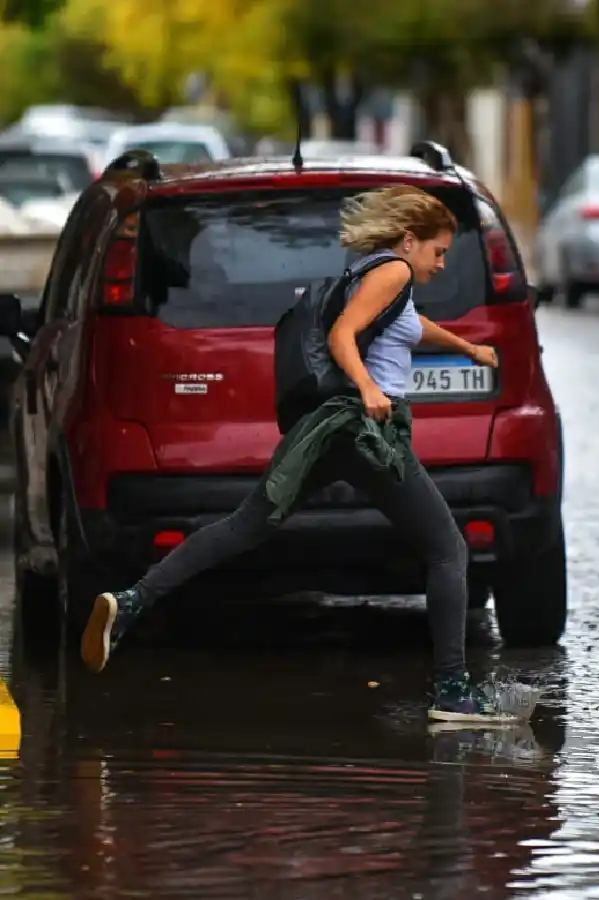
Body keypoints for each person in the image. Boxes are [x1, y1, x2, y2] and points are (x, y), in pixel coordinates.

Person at [80, 184, 518, 725]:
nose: (443, 262)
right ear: (410, 240)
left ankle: (131, 602)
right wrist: (370, 388)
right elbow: (343, 335)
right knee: (448, 547)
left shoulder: (372, 270)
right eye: (438, 251)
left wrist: (466, 347)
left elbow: (405, 324)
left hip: (327, 431)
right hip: (363, 433)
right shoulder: (395, 273)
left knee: (244, 526)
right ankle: (452, 691)